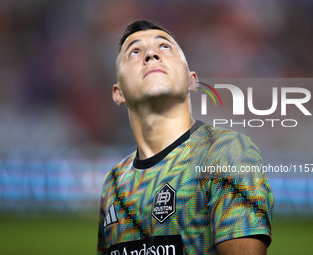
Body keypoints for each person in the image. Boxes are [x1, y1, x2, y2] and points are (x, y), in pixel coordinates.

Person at [97, 19, 274, 255]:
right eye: (135, 51)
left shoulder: (226, 152)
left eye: (165, 47)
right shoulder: (114, 183)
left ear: (192, 80)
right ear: (118, 93)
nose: (151, 54)